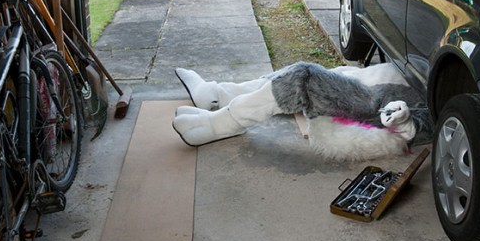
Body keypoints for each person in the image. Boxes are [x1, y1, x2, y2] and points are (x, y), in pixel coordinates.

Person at [171, 61, 432, 160]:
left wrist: (405, 121)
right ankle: (217, 95)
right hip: (359, 79)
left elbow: (430, 124)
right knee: (294, 74)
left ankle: (221, 124)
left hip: (368, 100)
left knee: (304, 75)